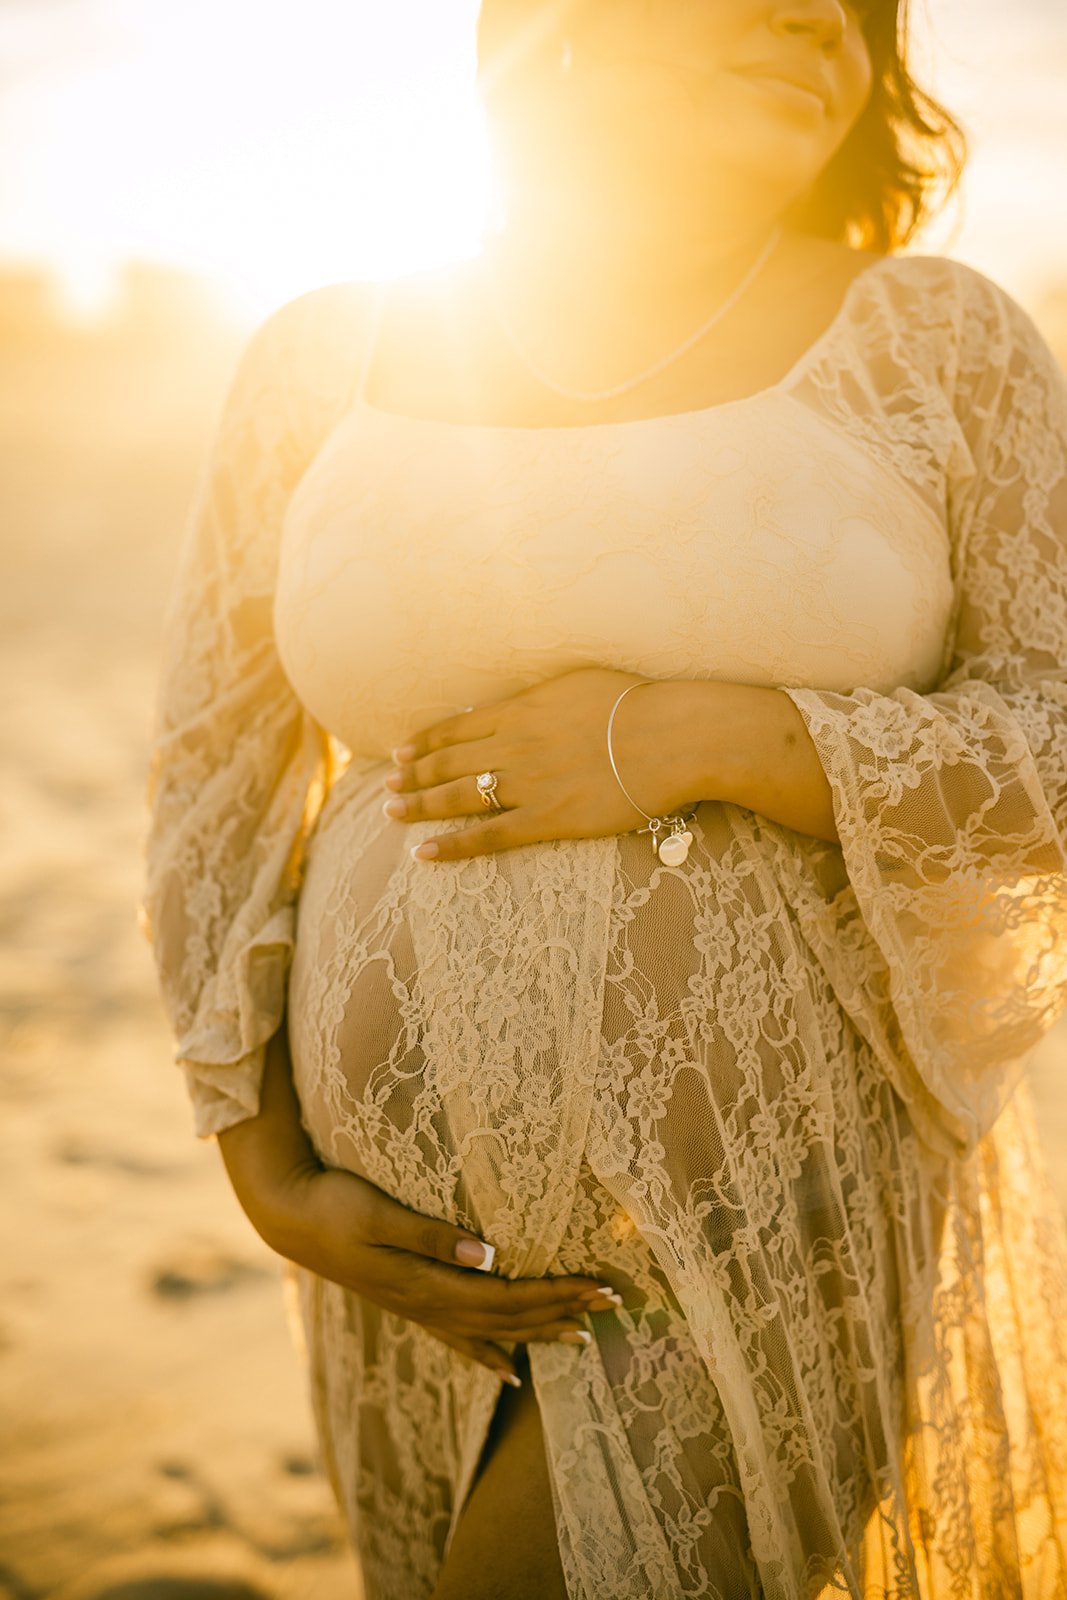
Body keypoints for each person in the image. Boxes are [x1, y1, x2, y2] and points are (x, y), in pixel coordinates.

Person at [140, 0, 1067, 1595]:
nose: (819, 22)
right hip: (408, 1271)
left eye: (859, 10)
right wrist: (259, 1159)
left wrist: (705, 733)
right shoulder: (320, 353)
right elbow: (216, 772)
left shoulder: (930, 337)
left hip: (775, 1217)